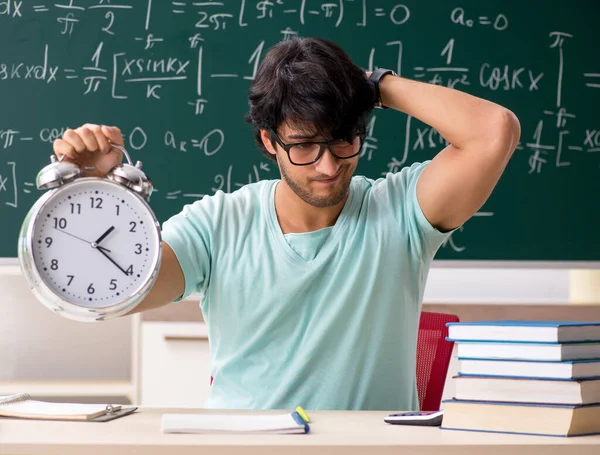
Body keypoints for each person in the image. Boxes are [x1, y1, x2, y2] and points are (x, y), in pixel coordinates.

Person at [53, 37, 520, 411]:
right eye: (303, 146)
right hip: (242, 449)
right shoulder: (218, 224)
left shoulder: (400, 212)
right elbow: (117, 292)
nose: (327, 166)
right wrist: (99, 190)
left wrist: (372, 86)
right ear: (268, 140)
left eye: (344, 141)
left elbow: (495, 131)